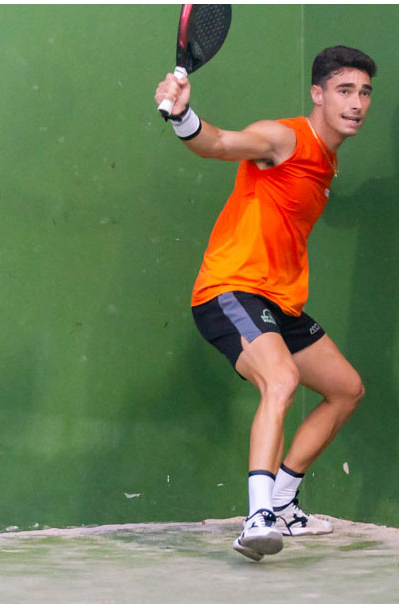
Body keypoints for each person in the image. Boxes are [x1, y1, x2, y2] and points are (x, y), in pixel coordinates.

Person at [153, 46, 377, 561]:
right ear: (317, 94)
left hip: (280, 301)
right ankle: (257, 519)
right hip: (230, 289)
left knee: (346, 390)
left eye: (365, 93)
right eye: (344, 90)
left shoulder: (327, 160)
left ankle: (283, 503)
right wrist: (184, 116)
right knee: (281, 380)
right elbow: (220, 144)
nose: (356, 103)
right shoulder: (284, 138)